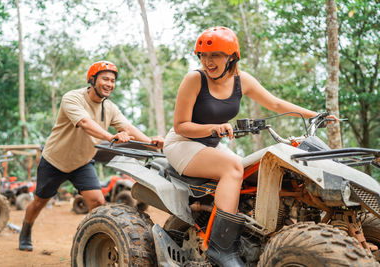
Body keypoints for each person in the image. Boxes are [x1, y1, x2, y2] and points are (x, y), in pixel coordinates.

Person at [163, 26, 338, 267]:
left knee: (252, 172)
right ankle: (221, 248)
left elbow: (276, 104)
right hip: (182, 144)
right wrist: (213, 127)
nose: (207, 61)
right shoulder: (195, 79)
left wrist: (314, 115)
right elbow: (181, 125)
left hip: (210, 147)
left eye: (215, 55)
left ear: (231, 56)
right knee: (233, 167)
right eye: (202, 55)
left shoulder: (241, 81)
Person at [19, 60, 164, 251]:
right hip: (55, 161)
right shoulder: (72, 98)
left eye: (112, 80)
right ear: (92, 80)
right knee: (39, 202)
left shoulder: (110, 108)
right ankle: (26, 230)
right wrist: (110, 136)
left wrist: (150, 142)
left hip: (82, 162)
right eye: (105, 79)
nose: (109, 84)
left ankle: (98, 243)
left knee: (97, 202)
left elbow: (127, 127)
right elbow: (85, 123)